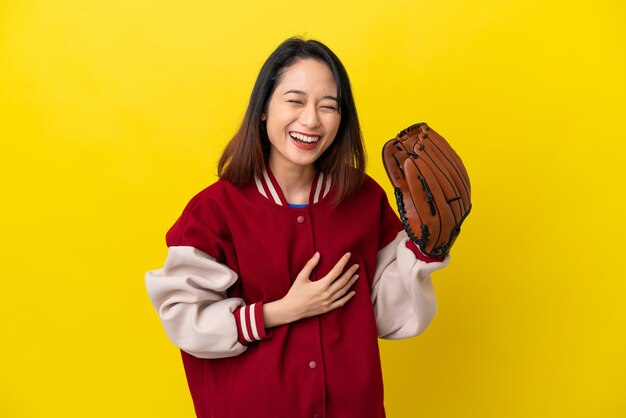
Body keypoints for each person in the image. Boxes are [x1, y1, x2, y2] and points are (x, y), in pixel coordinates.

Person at [145, 37, 449, 418]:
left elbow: (393, 318)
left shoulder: (364, 199)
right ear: (263, 109)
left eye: (328, 106)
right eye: (295, 100)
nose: (311, 120)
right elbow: (185, 320)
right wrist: (281, 310)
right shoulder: (213, 211)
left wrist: (424, 253)